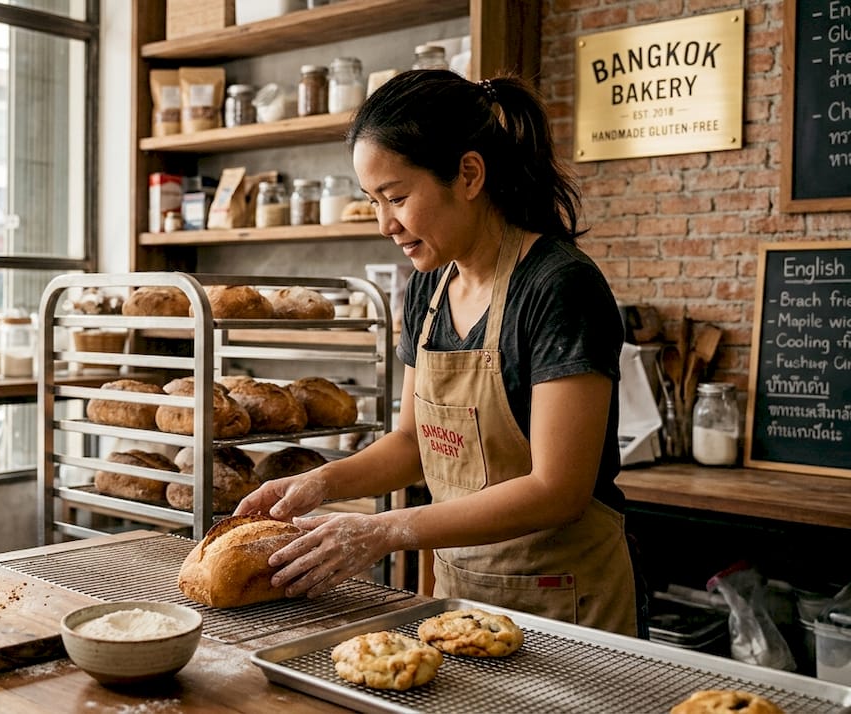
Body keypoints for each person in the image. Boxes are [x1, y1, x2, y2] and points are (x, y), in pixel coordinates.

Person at [234, 69, 641, 637]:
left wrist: (387, 530)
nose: (384, 223)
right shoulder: (428, 285)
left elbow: (559, 490)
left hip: (567, 605)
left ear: (469, 174)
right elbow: (412, 444)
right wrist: (324, 482)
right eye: (373, 201)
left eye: (397, 197)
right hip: (461, 600)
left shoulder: (558, 287)